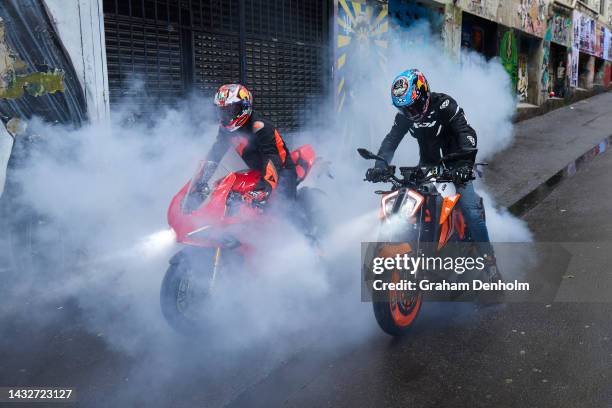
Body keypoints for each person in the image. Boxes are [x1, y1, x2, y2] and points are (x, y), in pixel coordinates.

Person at [365, 69, 502, 284]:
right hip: (427, 166)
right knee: (402, 202)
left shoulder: (445, 105)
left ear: (424, 94)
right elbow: (391, 140)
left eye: (413, 106)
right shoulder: (405, 116)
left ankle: (490, 265)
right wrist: (379, 165)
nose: (410, 112)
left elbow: (466, 132)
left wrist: (465, 165)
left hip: (456, 165)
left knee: (471, 211)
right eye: (404, 108)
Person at [187, 83, 297, 212]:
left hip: (282, 172)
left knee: (283, 210)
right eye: (222, 111)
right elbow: (216, 153)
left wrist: (263, 190)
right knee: (230, 195)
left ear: (244, 106)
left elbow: (273, 160)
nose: (226, 115)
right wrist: (200, 183)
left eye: (230, 110)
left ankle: (299, 227)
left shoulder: (260, 127)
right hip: (257, 173)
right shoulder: (226, 129)